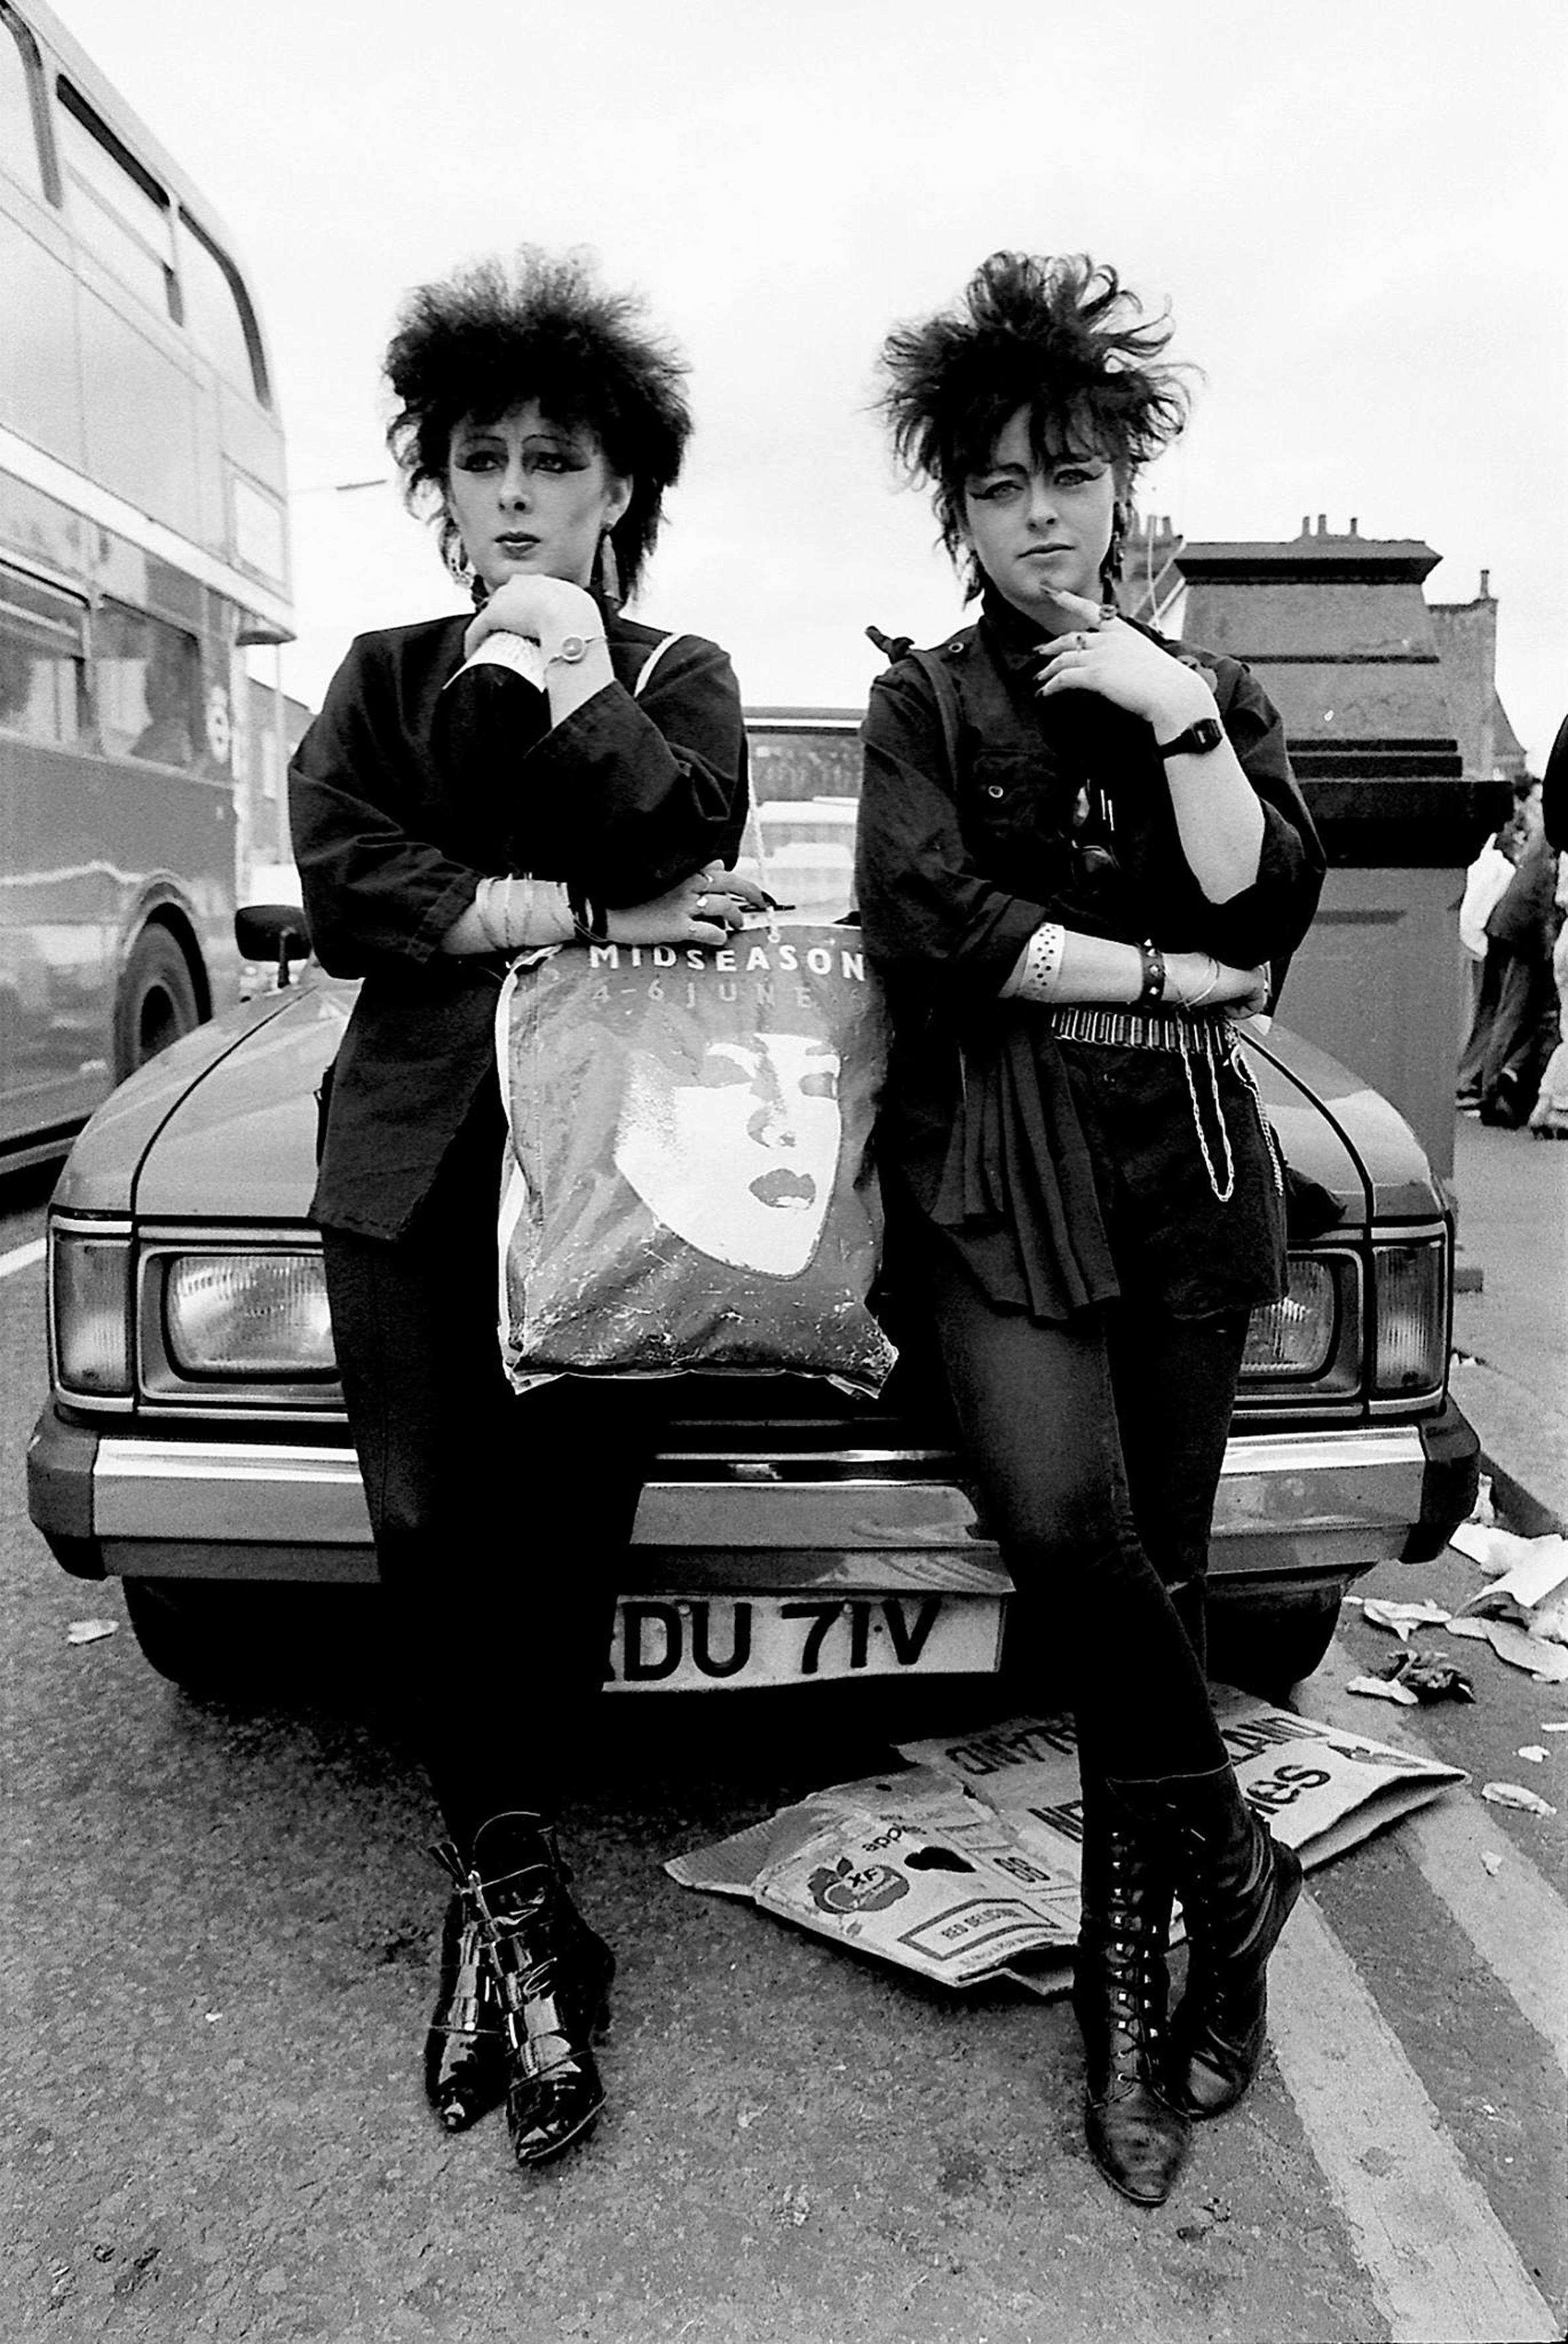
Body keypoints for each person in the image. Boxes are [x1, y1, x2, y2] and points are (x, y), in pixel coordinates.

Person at [855, 252, 1326, 2207]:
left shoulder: (1204, 692)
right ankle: (1237, 1862)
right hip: (990, 1165)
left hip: (1185, 1167)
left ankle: (1132, 2006)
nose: (1040, 514)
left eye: (1071, 474)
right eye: (999, 484)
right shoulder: (924, 697)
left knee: (1167, 1577)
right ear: (957, 510)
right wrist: (1146, 966)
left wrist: (1180, 718)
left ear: (1124, 483)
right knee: (1066, 1525)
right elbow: (929, 926)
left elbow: (1265, 909)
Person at [289, 249, 758, 2172]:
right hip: (410, 1158)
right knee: (427, 1524)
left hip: (619, 1169)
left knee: (564, 1543)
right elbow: (351, 890)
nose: (509, 493)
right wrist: (567, 911)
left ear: (618, 485)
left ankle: (502, 1908)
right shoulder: (382, 676)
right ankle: (519, 1904)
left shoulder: (680, 672)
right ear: (440, 478)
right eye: (479, 461)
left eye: (551, 464)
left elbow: (684, 841)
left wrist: (570, 659)